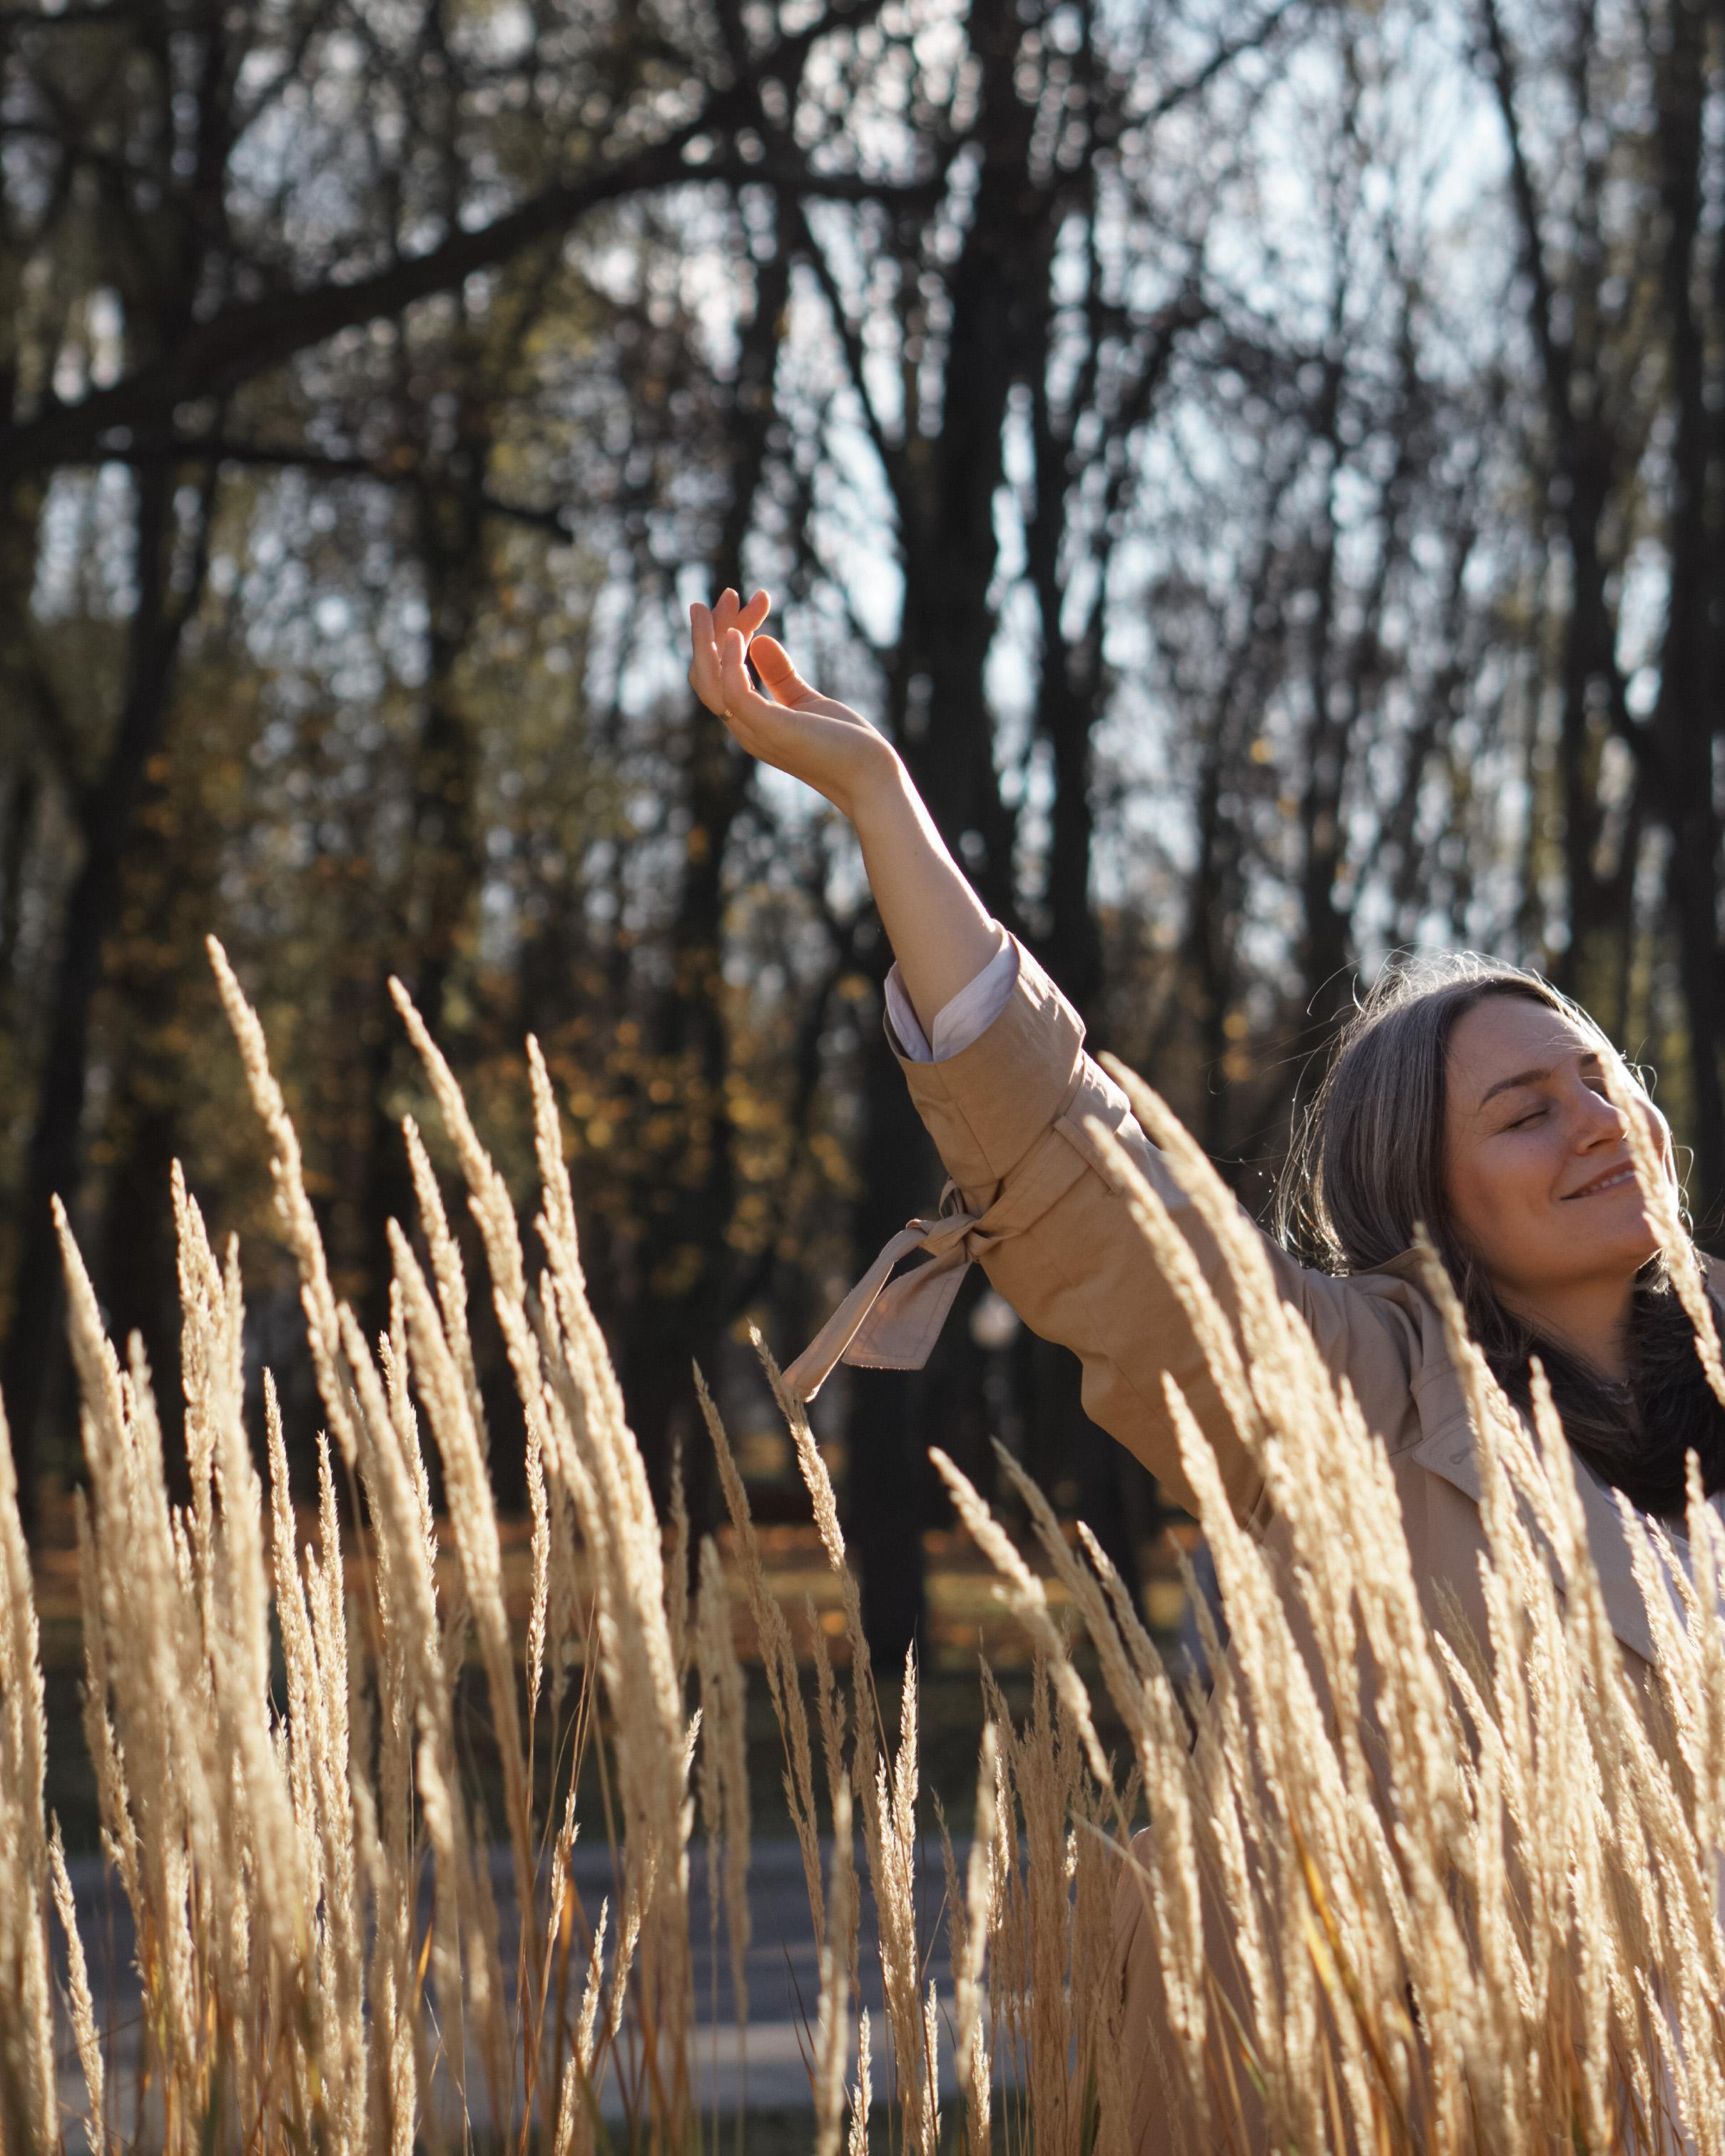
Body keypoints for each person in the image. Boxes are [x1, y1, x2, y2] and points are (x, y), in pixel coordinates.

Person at [688, 584, 1724, 2143]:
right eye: (1524, 1111)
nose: (1594, 1120)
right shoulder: (1360, 1399)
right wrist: (881, 800)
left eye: (1602, 1080)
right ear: (1422, 1200)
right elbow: (1099, 1194)